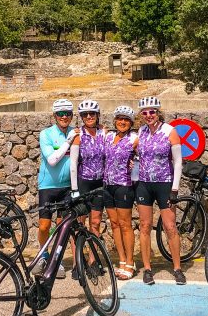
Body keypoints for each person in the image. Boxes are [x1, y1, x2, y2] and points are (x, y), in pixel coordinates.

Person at [135, 96, 185, 285]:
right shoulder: (141, 131)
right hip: (144, 184)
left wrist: (175, 188)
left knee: (170, 226)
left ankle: (177, 268)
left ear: (158, 112)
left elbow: (178, 161)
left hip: (165, 183)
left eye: (152, 112)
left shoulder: (170, 131)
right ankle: (147, 269)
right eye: (145, 112)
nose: (148, 115)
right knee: (145, 225)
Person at [33, 98, 77, 278]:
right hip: (48, 186)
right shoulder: (46, 134)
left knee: (62, 227)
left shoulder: (76, 133)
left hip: (67, 187)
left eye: (67, 113)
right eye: (60, 114)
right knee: (44, 226)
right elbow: (51, 160)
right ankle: (43, 254)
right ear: (54, 115)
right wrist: (68, 142)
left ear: (72, 115)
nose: (64, 117)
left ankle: (55, 259)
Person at [69, 99, 106, 280]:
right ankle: (77, 262)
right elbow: (73, 163)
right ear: (81, 117)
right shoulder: (78, 135)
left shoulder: (104, 132)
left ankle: (92, 261)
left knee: (96, 223)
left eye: (92, 114)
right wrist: (75, 189)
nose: (89, 117)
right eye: (85, 115)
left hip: (99, 183)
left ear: (97, 115)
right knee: (79, 224)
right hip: (83, 183)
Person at [102, 105, 138, 280]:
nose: (122, 122)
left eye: (126, 120)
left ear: (131, 123)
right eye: (119, 119)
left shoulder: (134, 139)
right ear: (115, 120)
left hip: (124, 185)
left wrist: (136, 166)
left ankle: (130, 261)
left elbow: (144, 158)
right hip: (107, 186)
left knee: (125, 225)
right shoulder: (108, 136)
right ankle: (122, 260)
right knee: (114, 224)